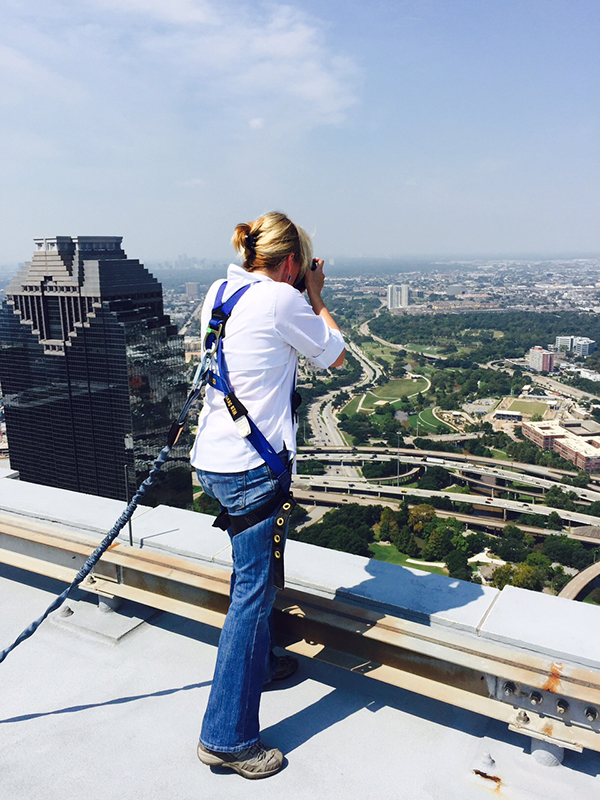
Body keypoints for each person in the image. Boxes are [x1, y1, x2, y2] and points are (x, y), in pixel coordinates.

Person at [192, 211, 345, 779]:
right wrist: (317, 295)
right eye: (300, 266)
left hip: (213, 458)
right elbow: (335, 354)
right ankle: (227, 737)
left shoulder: (221, 288)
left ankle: (256, 667)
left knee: (249, 578)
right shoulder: (284, 299)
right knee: (252, 595)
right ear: (289, 264)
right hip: (251, 469)